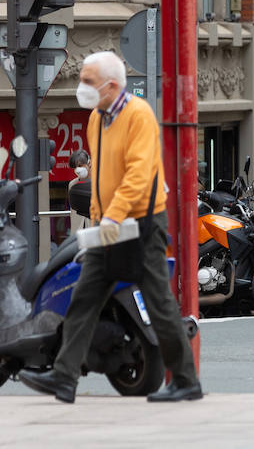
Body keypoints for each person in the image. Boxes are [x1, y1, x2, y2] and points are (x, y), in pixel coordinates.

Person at [18, 52, 202, 403]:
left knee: (159, 302)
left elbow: (139, 174)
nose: (82, 86)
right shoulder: (96, 119)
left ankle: (185, 379)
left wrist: (112, 216)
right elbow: (102, 175)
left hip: (142, 223)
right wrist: (102, 218)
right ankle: (64, 376)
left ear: (112, 86)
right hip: (111, 224)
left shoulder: (138, 116)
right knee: (85, 297)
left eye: (88, 80)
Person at [67, 149, 91, 231]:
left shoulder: (98, 182)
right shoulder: (72, 184)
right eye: (75, 167)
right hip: (77, 231)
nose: (77, 170)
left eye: (80, 166)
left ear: (89, 163)